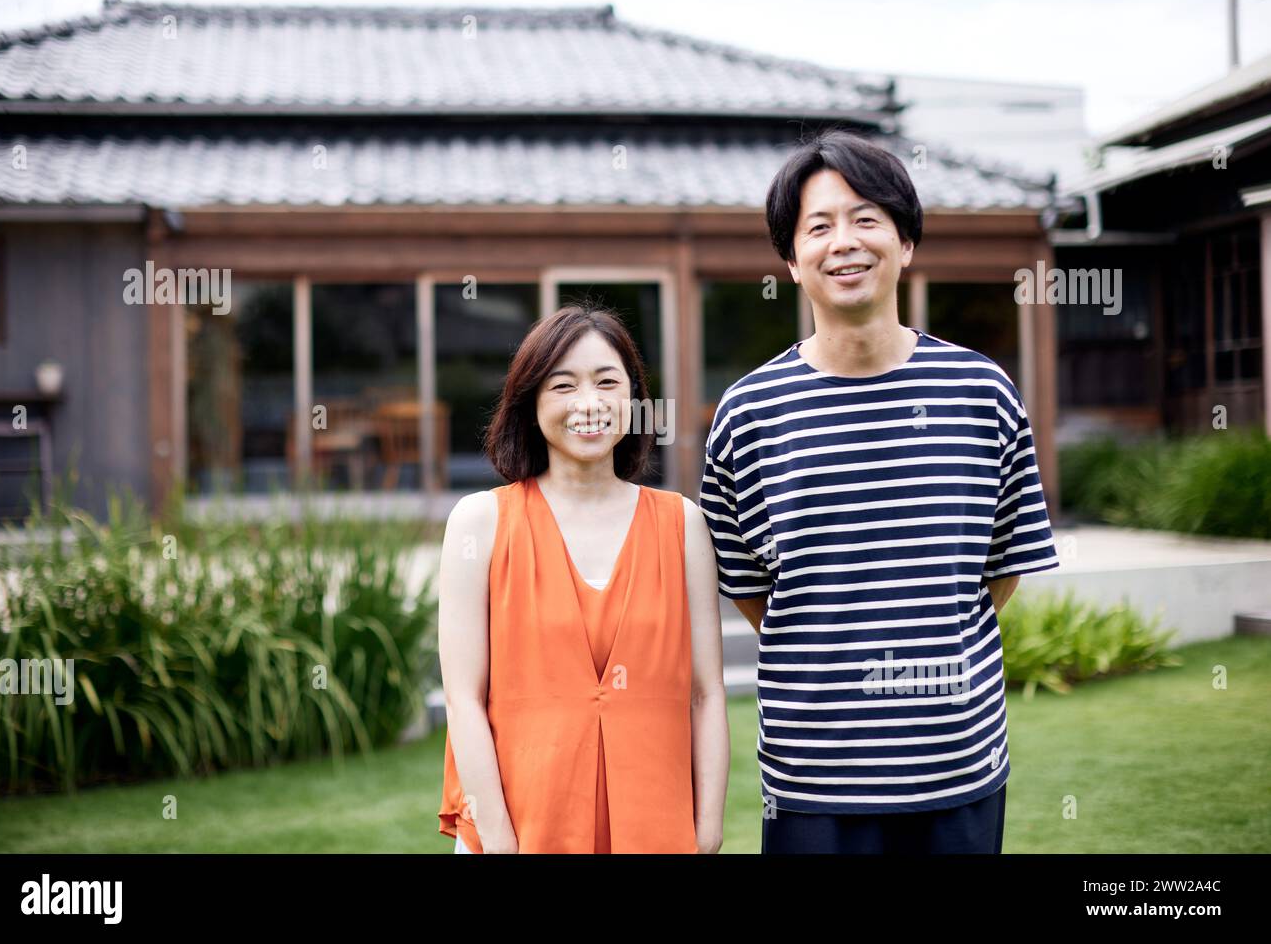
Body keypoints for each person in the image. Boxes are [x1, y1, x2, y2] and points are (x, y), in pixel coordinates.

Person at [699, 129, 1060, 854]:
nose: (845, 242)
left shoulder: (982, 393)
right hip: (813, 784)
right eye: (819, 226)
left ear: (906, 241)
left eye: (867, 218)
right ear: (791, 261)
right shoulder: (747, 415)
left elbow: (1000, 567)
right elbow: (754, 593)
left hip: (957, 765)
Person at [437, 302, 729, 853]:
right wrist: (498, 839)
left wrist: (707, 829)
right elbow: (463, 699)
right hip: (520, 829)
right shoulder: (480, 523)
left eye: (607, 382)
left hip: (657, 827)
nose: (589, 404)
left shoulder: (682, 524)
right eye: (563, 385)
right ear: (531, 404)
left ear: (634, 398)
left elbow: (706, 695)